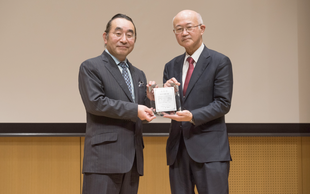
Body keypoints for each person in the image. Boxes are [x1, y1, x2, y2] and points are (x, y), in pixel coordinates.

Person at [78, 13, 156, 194]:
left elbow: (140, 112)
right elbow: (95, 103)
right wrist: (136, 109)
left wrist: (152, 99)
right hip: (103, 160)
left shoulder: (139, 74)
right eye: (118, 33)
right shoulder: (91, 67)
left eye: (130, 35)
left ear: (135, 39)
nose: (124, 39)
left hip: (133, 160)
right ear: (105, 37)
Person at [163, 10, 233, 194]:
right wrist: (164, 93)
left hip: (211, 151)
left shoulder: (220, 61)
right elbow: (171, 109)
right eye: (179, 29)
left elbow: (223, 103)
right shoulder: (171, 65)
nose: (184, 33)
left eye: (189, 27)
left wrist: (193, 116)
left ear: (202, 29)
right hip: (178, 150)